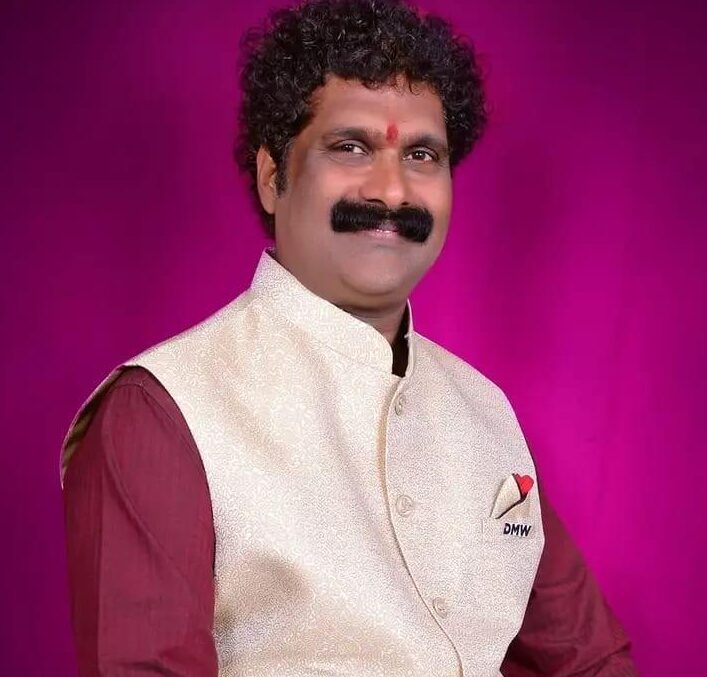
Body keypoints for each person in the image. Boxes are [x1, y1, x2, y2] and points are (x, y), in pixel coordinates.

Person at [60, 0, 637, 674]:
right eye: (351, 147)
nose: (392, 190)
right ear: (272, 177)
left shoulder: (483, 412)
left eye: (421, 154)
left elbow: (590, 662)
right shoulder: (164, 411)